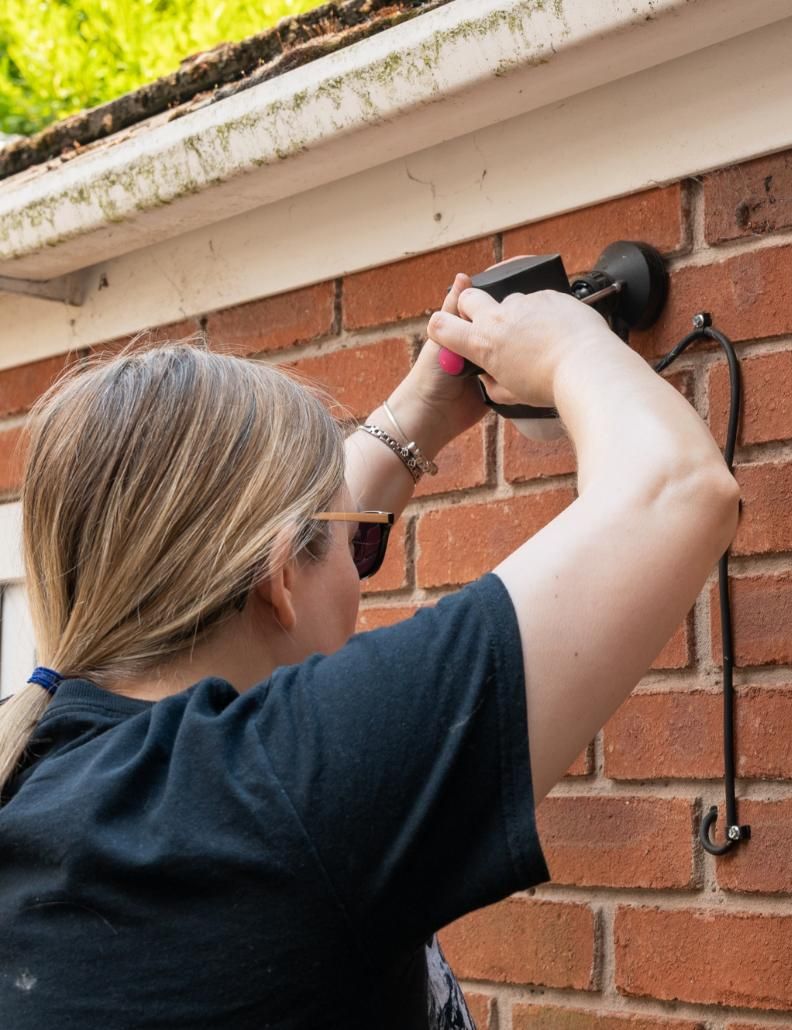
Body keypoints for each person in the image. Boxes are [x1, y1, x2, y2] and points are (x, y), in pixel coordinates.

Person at [0, 273, 740, 1028]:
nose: (357, 563)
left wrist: (419, 415)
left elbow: (245, 549)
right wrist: (570, 345)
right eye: (351, 544)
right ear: (279, 580)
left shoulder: (42, 755)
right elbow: (675, 490)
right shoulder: (277, 787)